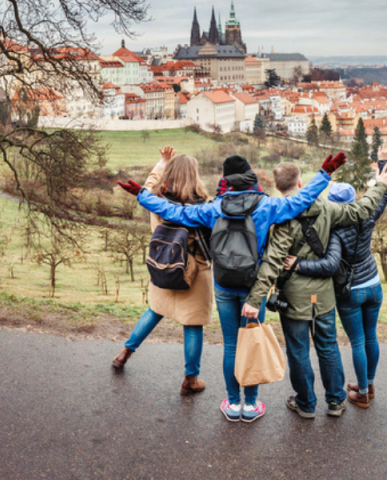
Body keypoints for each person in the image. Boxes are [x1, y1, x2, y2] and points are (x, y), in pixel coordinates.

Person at [117, 151, 345, 424]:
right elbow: (301, 200)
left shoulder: (213, 208)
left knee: (231, 346)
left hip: (224, 284)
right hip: (253, 288)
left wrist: (142, 195)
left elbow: (174, 211)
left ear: (227, 183)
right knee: (251, 343)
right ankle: (250, 405)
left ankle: (232, 402)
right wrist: (323, 175)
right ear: (250, 179)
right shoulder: (266, 205)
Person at [243, 164, 387, 419]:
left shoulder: (282, 219)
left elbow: (272, 262)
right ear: (301, 183)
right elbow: (362, 209)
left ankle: (306, 404)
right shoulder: (326, 208)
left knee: (299, 351)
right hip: (323, 296)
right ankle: (336, 402)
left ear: (277, 188)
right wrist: (379, 184)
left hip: (294, 298)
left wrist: (254, 300)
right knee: (328, 347)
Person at [111, 146, 213, 397]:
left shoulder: (156, 200)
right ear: (195, 175)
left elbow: (146, 186)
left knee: (155, 311)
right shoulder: (203, 205)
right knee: (193, 325)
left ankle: (125, 353)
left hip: (163, 264)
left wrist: (161, 162)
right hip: (196, 272)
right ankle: (190, 379)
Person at [325, 175, 387, 408]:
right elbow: (385, 196)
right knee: (371, 336)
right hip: (373, 285)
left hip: (350, 291)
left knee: (357, 341)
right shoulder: (368, 214)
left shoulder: (331, 227)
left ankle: (362, 393)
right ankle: (369, 385)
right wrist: (383, 169)